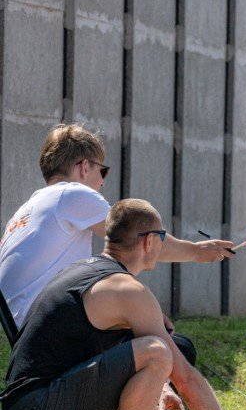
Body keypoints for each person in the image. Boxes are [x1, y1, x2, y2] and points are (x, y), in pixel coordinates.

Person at [1, 199, 246, 410]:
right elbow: (186, 378)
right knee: (157, 352)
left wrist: (160, 387)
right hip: (39, 408)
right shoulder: (126, 290)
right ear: (150, 241)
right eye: (163, 236)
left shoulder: (89, 271)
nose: (163, 243)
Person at [0, 123, 234, 329]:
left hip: (24, 322)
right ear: (84, 167)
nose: (102, 181)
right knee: (166, 340)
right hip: (46, 322)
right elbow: (142, 240)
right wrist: (197, 251)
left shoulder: (28, 208)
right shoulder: (72, 194)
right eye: (102, 170)